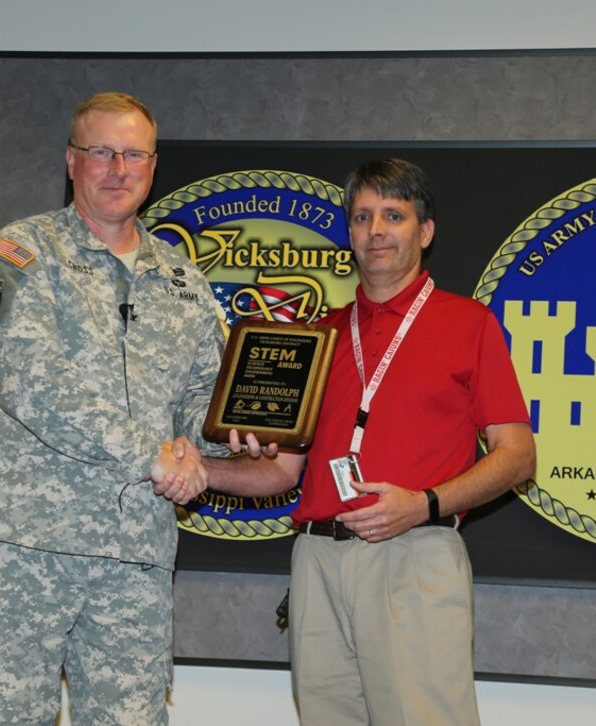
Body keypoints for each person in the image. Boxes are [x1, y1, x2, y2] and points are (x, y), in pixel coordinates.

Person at [203, 158, 536, 725]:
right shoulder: (315, 337)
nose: (376, 230)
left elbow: (518, 455)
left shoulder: (468, 324)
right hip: (317, 560)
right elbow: (282, 473)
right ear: (349, 234)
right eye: (362, 217)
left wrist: (423, 503)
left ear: (424, 232)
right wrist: (205, 469)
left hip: (414, 555)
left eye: (393, 215)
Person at [0, 92, 223, 725]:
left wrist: (234, 432)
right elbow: (29, 378)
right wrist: (150, 454)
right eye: (101, 152)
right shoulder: (21, 252)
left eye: (134, 154)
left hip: (136, 558)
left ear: (153, 166)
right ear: (72, 161)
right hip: (27, 547)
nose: (118, 168)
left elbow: (201, 401)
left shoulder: (182, 280)